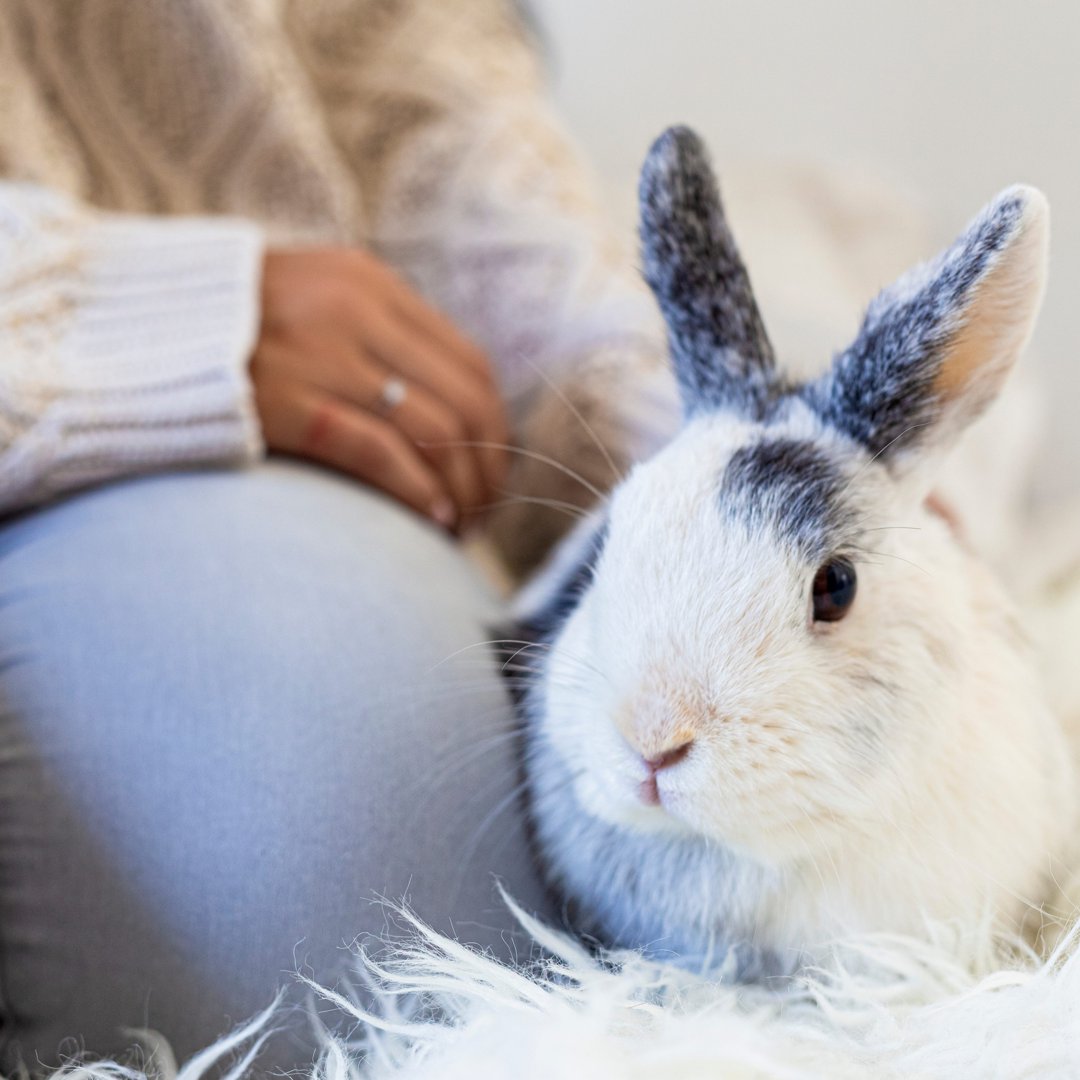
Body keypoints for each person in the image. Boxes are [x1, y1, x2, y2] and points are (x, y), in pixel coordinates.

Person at [0, 0, 676, 1071]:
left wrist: (690, 440)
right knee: (320, 878)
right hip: (84, 386)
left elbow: (416, 76)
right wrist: (113, 315)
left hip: (350, 374)